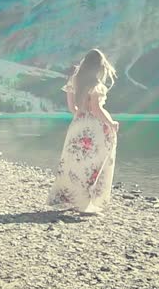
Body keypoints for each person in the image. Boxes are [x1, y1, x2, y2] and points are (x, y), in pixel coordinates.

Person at [47, 49, 119, 215]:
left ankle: (73, 198)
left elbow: (73, 108)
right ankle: (86, 204)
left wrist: (81, 116)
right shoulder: (97, 85)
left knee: (75, 163)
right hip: (95, 128)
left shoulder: (74, 81)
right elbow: (96, 109)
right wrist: (111, 123)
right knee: (93, 164)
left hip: (77, 126)